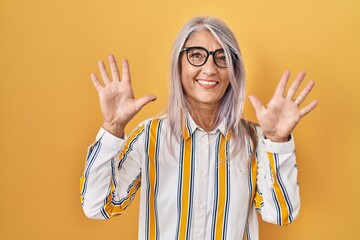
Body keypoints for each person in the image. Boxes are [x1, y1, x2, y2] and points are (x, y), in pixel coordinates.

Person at [80, 16, 318, 240]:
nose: (210, 68)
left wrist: (277, 141)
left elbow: (280, 214)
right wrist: (112, 128)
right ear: (179, 65)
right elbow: (97, 206)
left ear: (234, 69)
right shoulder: (150, 136)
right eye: (197, 55)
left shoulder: (254, 140)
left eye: (222, 57)